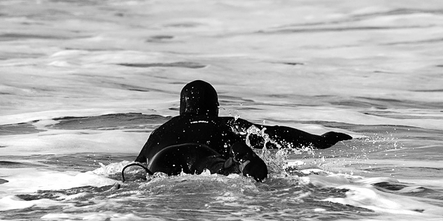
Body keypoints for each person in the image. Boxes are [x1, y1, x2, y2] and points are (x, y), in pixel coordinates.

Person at [125, 80, 351, 182]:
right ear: (214, 108)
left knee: (145, 178)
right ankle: (238, 164)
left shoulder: (158, 132)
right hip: (202, 155)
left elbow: (136, 165)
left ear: (182, 108)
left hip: (161, 160)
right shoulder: (222, 124)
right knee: (222, 168)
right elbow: (271, 135)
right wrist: (318, 141)